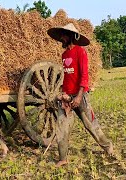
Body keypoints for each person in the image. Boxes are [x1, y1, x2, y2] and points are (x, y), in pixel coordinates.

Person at [47, 23, 114, 167]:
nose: (61, 38)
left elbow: (84, 76)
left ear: (71, 36)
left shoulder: (80, 52)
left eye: (64, 35)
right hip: (67, 96)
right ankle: (63, 158)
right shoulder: (64, 55)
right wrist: (63, 94)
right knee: (61, 126)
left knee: (90, 125)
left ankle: (107, 146)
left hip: (80, 96)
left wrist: (78, 96)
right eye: (61, 36)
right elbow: (67, 76)